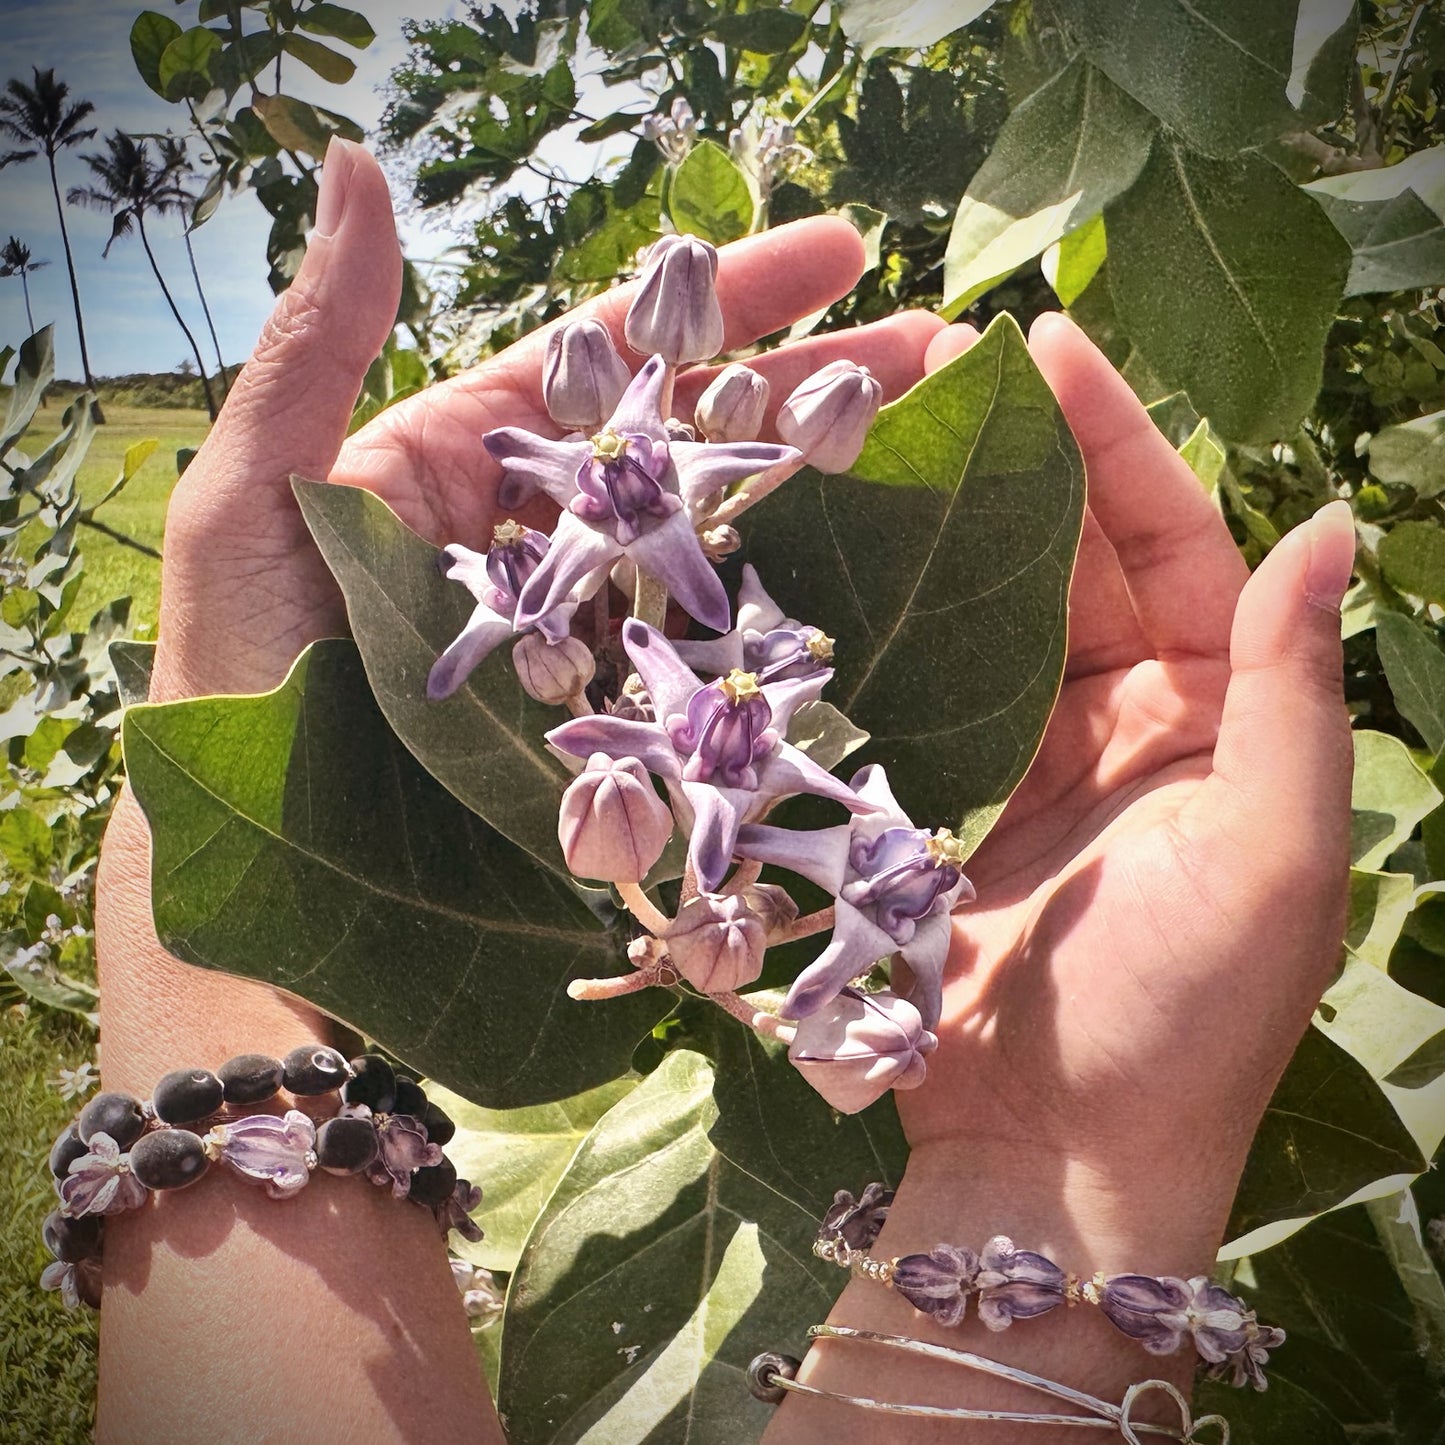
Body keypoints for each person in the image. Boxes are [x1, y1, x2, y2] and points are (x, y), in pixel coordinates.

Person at [92, 139, 1353, 1442]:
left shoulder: (728, 722)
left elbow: (737, 722)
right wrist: (1070, 1175)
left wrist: (178, 910)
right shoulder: (641, 625)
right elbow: (671, 658)